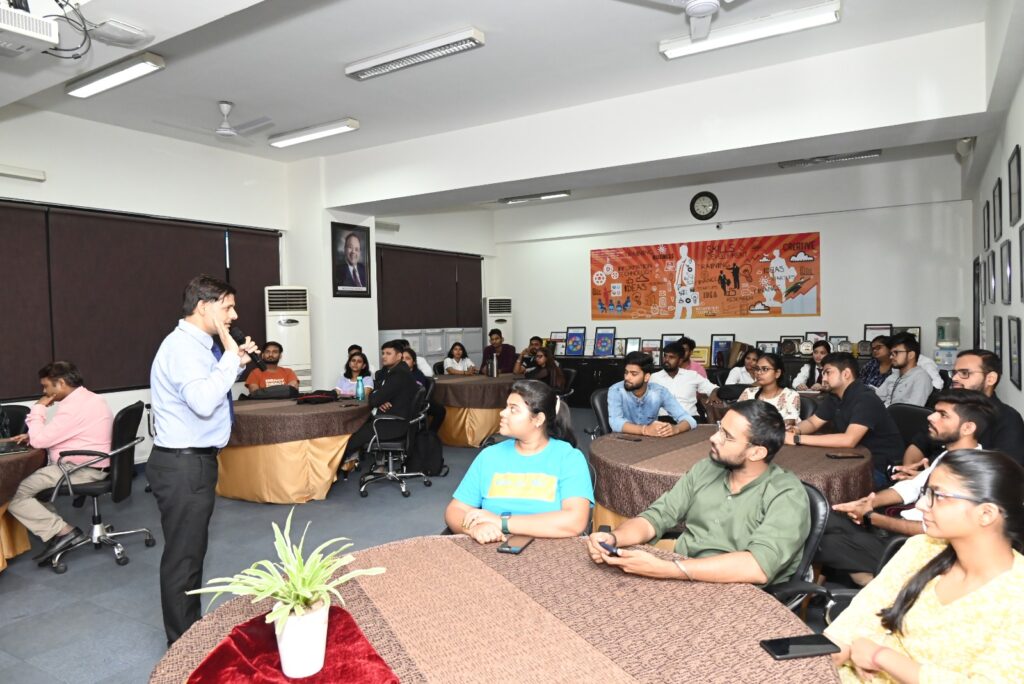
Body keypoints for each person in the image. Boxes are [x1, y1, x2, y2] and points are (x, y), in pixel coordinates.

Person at [824, 450, 1024, 682]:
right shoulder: (923, 548)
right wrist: (836, 648)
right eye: (926, 493)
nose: (921, 505)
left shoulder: (1015, 593)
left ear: (986, 514)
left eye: (937, 496)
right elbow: (862, 613)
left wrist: (881, 657)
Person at [148, 275, 259, 645]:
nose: (234, 315)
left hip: (191, 462)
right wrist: (229, 358)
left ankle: (188, 632)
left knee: (191, 554)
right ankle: (182, 645)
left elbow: (208, 386)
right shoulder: (182, 348)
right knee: (184, 558)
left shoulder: (199, 346)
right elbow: (202, 402)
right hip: (183, 465)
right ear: (203, 306)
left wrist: (234, 362)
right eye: (227, 307)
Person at [587, 401, 810, 585]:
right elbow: (657, 517)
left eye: (727, 436)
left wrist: (667, 569)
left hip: (739, 589)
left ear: (756, 452)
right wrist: (615, 538)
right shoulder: (708, 468)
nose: (714, 438)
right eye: (719, 428)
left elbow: (756, 567)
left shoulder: (786, 494)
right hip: (684, 567)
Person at [816, 390, 993, 586]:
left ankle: (875, 588)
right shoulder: (949, 456)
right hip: (896, 528)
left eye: (943, 415)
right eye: (935, 412)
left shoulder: (970, 474)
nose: (931, 417)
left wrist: (871, 517)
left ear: (968, 427)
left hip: (912, 547)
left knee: (824, 542)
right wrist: (868, 503)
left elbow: (929, 529)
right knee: (822, 517)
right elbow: (911, 487)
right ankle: (824, 586)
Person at [445, 380, 593, 544]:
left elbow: (575, 522)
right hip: (493, 547)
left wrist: (502, 522)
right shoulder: (489, 456)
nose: (502, 413)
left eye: (513, 409)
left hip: (553, 550)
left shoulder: (568, 458)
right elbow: (455, 509)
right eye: (506, 406)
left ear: (538, 419)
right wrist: (473, 529)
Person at [8, 362, 113, 564]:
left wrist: (39, 407)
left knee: (12, 492)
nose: (44, 392)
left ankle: (64, 532)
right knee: (31, 489)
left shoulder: (74, 407)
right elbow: (68, 432)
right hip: (93, 464)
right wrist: (33, 436)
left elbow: (40, 441)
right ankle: (57, 532)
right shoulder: (90, 398)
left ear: (61, 383)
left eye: (46, 386)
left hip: (80, 469)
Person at [786, 352, 903, 487]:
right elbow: (813, 422)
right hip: (851, 457)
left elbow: (849, 440)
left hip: (878, 467)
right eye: (823, 373)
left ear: (846, 374)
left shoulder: (865, 398)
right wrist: (796, 430)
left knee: (818, 484)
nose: (823, 378)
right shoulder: (835, 396)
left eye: (828, 372)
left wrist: (797, 439)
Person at [898, 348, 1024, 470]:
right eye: (954, 373)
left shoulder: (1007, 419)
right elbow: (917, 445)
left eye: (964, 373)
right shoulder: (945, 407)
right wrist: (910, 472)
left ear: (990, 379)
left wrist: (930, 479)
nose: (954, 378)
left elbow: (1007, 472)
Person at [340, 340, 420, 474]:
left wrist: (378, 398)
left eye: (388, 353)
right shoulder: (400, 371)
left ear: (399, 356)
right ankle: (362, 463)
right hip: (399, 421)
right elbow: (379, 393)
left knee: (351, 436)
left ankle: (330, 470)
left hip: (392, 424)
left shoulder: (398, 375)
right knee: (359, 424)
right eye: (383, 353)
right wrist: (381, 398)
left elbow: (374, 399)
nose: (384, 356)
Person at [608, 352, 697, 437]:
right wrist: (645, 430)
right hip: (622, 441)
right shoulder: (616, 390)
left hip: (651, 441)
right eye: (626, 372)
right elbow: (615, 423)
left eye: (634, 374)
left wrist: (675, 429)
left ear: (646, 377)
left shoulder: (659, 392)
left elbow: (689, 420)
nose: (627, 377)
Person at [650, 342, 718, 417]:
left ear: (680, 360)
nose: (666, 360)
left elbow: (713, 388)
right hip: (664, 419)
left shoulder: (692, 375)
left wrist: (714, 393)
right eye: (665, 356)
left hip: (690, 418)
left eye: (671, 357)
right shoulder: (654, 377)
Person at [739, 352, 801, 425]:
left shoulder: (790, 395)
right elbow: (735, 416)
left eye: (765, 369)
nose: (759, 373)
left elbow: (790, 423)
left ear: (777, 373)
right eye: (757, 369)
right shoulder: (748, 392)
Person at [872, 332, 932, 407]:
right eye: (891, 353)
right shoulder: (894, 375)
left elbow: (913, 410)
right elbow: (876, 397)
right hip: (884, 412)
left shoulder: (921, 378)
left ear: (911, 355)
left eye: (896, 352)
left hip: (899, 414)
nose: (891, 357)